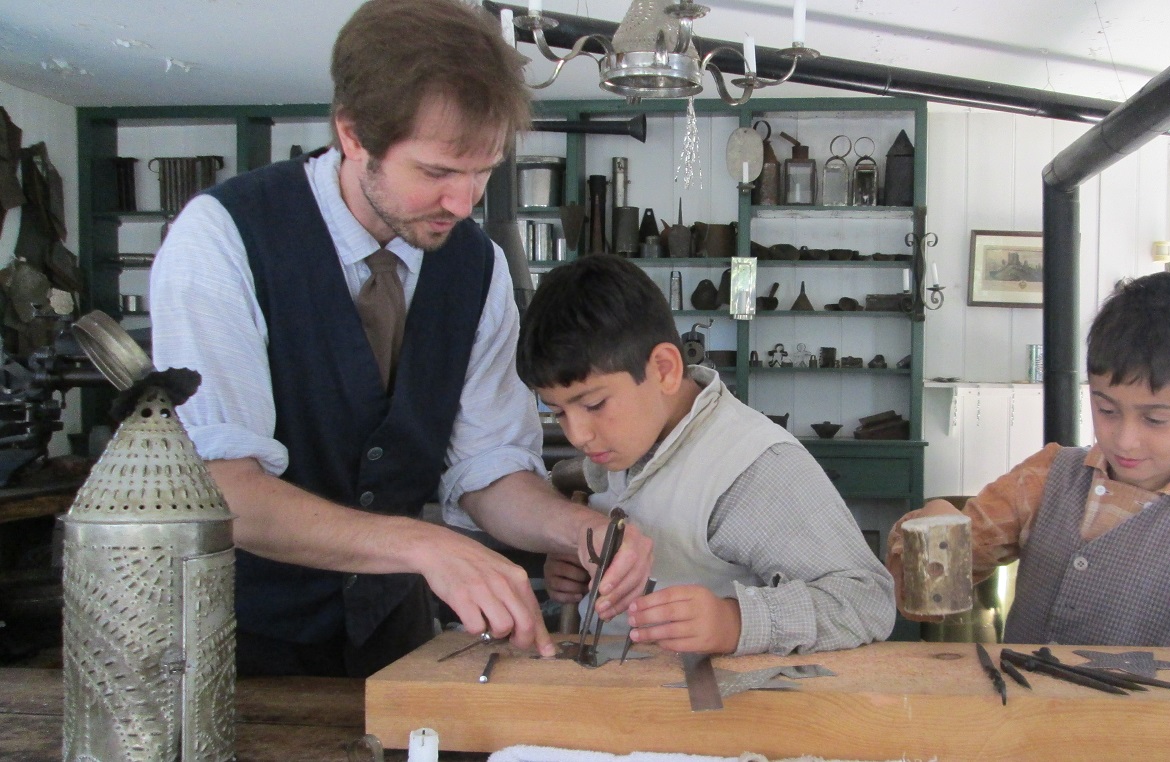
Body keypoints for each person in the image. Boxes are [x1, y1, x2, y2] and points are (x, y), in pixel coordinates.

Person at [149, 0, 652, 678]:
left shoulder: (476, 267)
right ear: (353, 135)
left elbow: (487, 468)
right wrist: (424, 546)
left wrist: (577, 529)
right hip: (236, 644)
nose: (463, 202)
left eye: (483, 171)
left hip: (393, 638)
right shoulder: (223, 238)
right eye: (438, 173)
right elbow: (220, 491)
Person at [886, 271, 1170, 705]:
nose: (1125, 439)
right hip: (1018, 733)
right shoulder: (1044, 477)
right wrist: (934, 526)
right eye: (1106, 409)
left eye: (1156, 419)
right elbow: (922, 604)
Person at [518, 255, 894, 656]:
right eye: (558, 412)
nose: (578, 434)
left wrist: (737, 621)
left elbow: (868, 600)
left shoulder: (753, 467)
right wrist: (579, 568)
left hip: (717, 711)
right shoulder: (617, 449)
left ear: (663, 369)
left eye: (593, 404)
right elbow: (567, 487)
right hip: (619, 702)